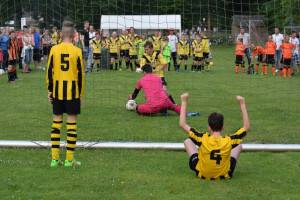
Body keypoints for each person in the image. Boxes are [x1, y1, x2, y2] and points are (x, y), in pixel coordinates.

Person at [179, 93, 250, 180]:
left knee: (187, 141)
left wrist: (184, 102)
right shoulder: (229, 141)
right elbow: (246, 127)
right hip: (224, 175)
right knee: (238, 146)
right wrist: (242, 104)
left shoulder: (202, 138)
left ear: (209, 127)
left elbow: (182, 124)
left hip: (203, 174)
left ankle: (203, 153)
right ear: (223, 126)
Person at [46, 21, 84, 167]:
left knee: (56, 124)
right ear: (75, 35)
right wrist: (80, 94)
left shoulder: (54, 50)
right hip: (73, 92)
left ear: (61, 35)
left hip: (57, 91)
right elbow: (80, 75)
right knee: (71, 126)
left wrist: (50, 90)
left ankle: (55, 159)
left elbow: (50, 71)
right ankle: (69, 160)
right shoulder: (77, 51)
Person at [129, 64, 200, 116]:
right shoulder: (159, 78)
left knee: (138, 109)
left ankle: (160, 110)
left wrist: (131, 97)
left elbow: (135, 94)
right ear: (152, 71)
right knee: (174, 107)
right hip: (166, 101)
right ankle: (188, 114)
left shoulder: (141, 80)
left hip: (154, 105)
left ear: (144, 72)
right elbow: (160, 90)